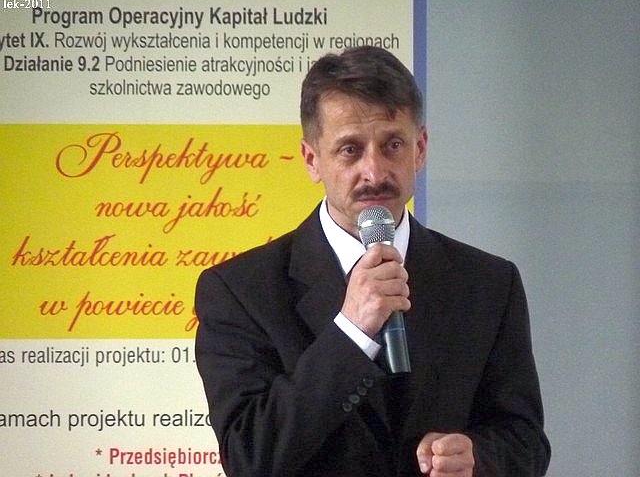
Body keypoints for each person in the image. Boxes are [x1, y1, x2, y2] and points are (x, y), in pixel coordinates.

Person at [195, 46, 550, 476]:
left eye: (392, 145)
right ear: (312, 160)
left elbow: (526, 442)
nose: (375, 172)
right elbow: (249, 457)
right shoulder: (240, 291)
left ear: (420, 149)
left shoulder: (489, 282)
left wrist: (477, 458)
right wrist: (351, 332)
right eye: (350, 149)